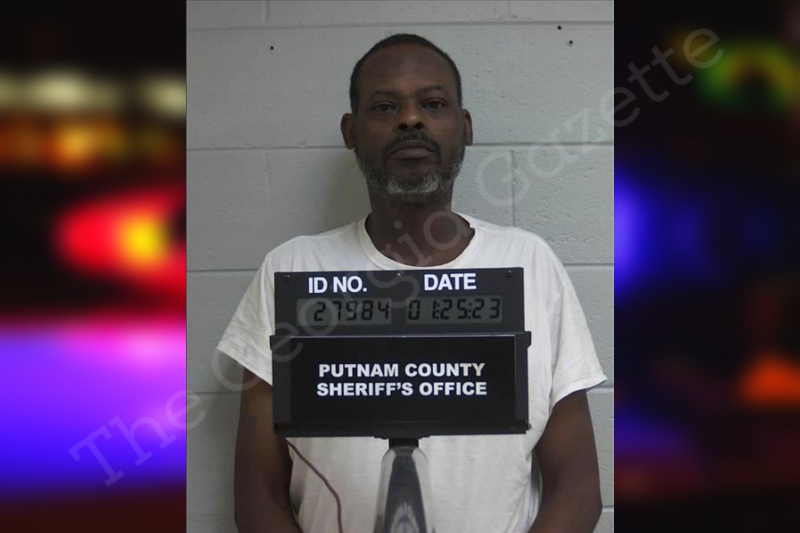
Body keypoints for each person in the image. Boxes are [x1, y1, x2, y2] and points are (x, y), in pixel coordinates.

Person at [217, 33, 606, 533]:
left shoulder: (530, 263)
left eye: (433, 103)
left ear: (465, 127)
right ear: (351, 131)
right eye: (384, 106)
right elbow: (258, 496)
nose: (410, 120)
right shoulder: (292, 269)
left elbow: (576, 488)